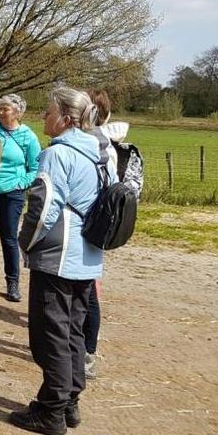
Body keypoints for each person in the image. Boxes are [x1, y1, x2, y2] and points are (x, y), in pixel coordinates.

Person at [12, 87, 116, 435]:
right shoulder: (99, 153)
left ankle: (51, 410)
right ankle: (70, 401)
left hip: (58, 255)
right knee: (72, 330)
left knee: (50, 333)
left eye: (48, 111)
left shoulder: (57, 154)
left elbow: (43, 208)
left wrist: (25, 243)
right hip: (88, 256)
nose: (43, 116)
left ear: (66, 118)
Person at [82, 89, 131, 379]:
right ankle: (83, 350)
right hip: (94, 226)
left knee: (88, 292)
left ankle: (86, 353)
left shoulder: (98, 144)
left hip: (88, 227)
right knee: (89, 290)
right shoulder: (105, 142)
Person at [0, 93, 41, 302]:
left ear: (17, 112)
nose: (0, 112)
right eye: (0, 108)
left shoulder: (28, 137)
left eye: (5, 109)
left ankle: (12, 282)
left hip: (12, 193)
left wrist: (20, 184)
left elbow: (35, 168)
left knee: (9, 238)